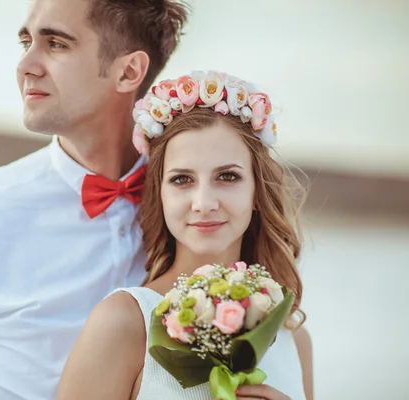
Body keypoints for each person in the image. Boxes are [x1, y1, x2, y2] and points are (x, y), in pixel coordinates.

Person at [0, 0, 190, 399]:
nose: (25, 65)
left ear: (128, 71)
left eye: (56, 44)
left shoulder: (198, 211)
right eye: (26, 42)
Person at [57, 70, 314, 400]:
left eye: (227, 176)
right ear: (160, 193)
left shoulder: (295, 340)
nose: (204, 203)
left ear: (256, 192)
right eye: (182, 180)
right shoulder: (124, 322)